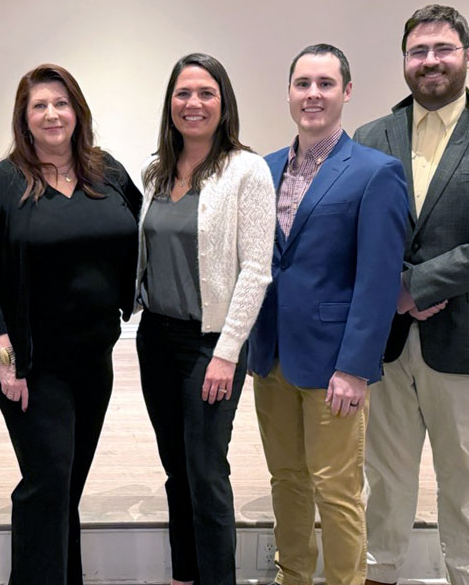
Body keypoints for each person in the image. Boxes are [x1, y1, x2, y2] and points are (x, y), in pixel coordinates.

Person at [353, 5, 469, 585]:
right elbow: (355, 230)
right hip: (384, 342)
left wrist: (414, 287)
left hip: (467, 336)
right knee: (385, 474)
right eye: (418, 51)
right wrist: (394, 295)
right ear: (405, 61)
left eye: (442, 48)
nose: (430, 61)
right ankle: (379, 571)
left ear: (467, 55)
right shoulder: (369, 136)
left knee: (462, 475)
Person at [0, 63, 142, 585]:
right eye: (39, 105)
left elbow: (136, 230)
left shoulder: (106, 172)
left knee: (68, 484)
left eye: (60, 103)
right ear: (24, 117)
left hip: (95, 356)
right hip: (33, 363)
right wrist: (5, 359)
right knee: (46, 482)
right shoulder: (1, 182)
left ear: (77, 110)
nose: (51, 114)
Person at [247, 44, 408, 585]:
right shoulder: (263, 170)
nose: (312, 94)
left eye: (325, 83)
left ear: (346, 91)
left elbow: (380, 279)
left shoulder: (375, 172)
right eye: (302, 84)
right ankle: (291, 576)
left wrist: (356, 366)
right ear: (289, 92)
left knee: (336, 489)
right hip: (269, 356)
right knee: (285, 479)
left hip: (335, 363)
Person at [135, 53, 275, 585]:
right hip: (156, 337)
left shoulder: (247, 170)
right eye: (183, 93)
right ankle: (184, 573)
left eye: (205, 93)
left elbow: (256, 270)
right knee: (176, 468)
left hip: (210, 344)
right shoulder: (157, 171)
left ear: (224, 103)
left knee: (207, 471)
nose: (193, 104)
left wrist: (226, 351)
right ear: (170, 103)